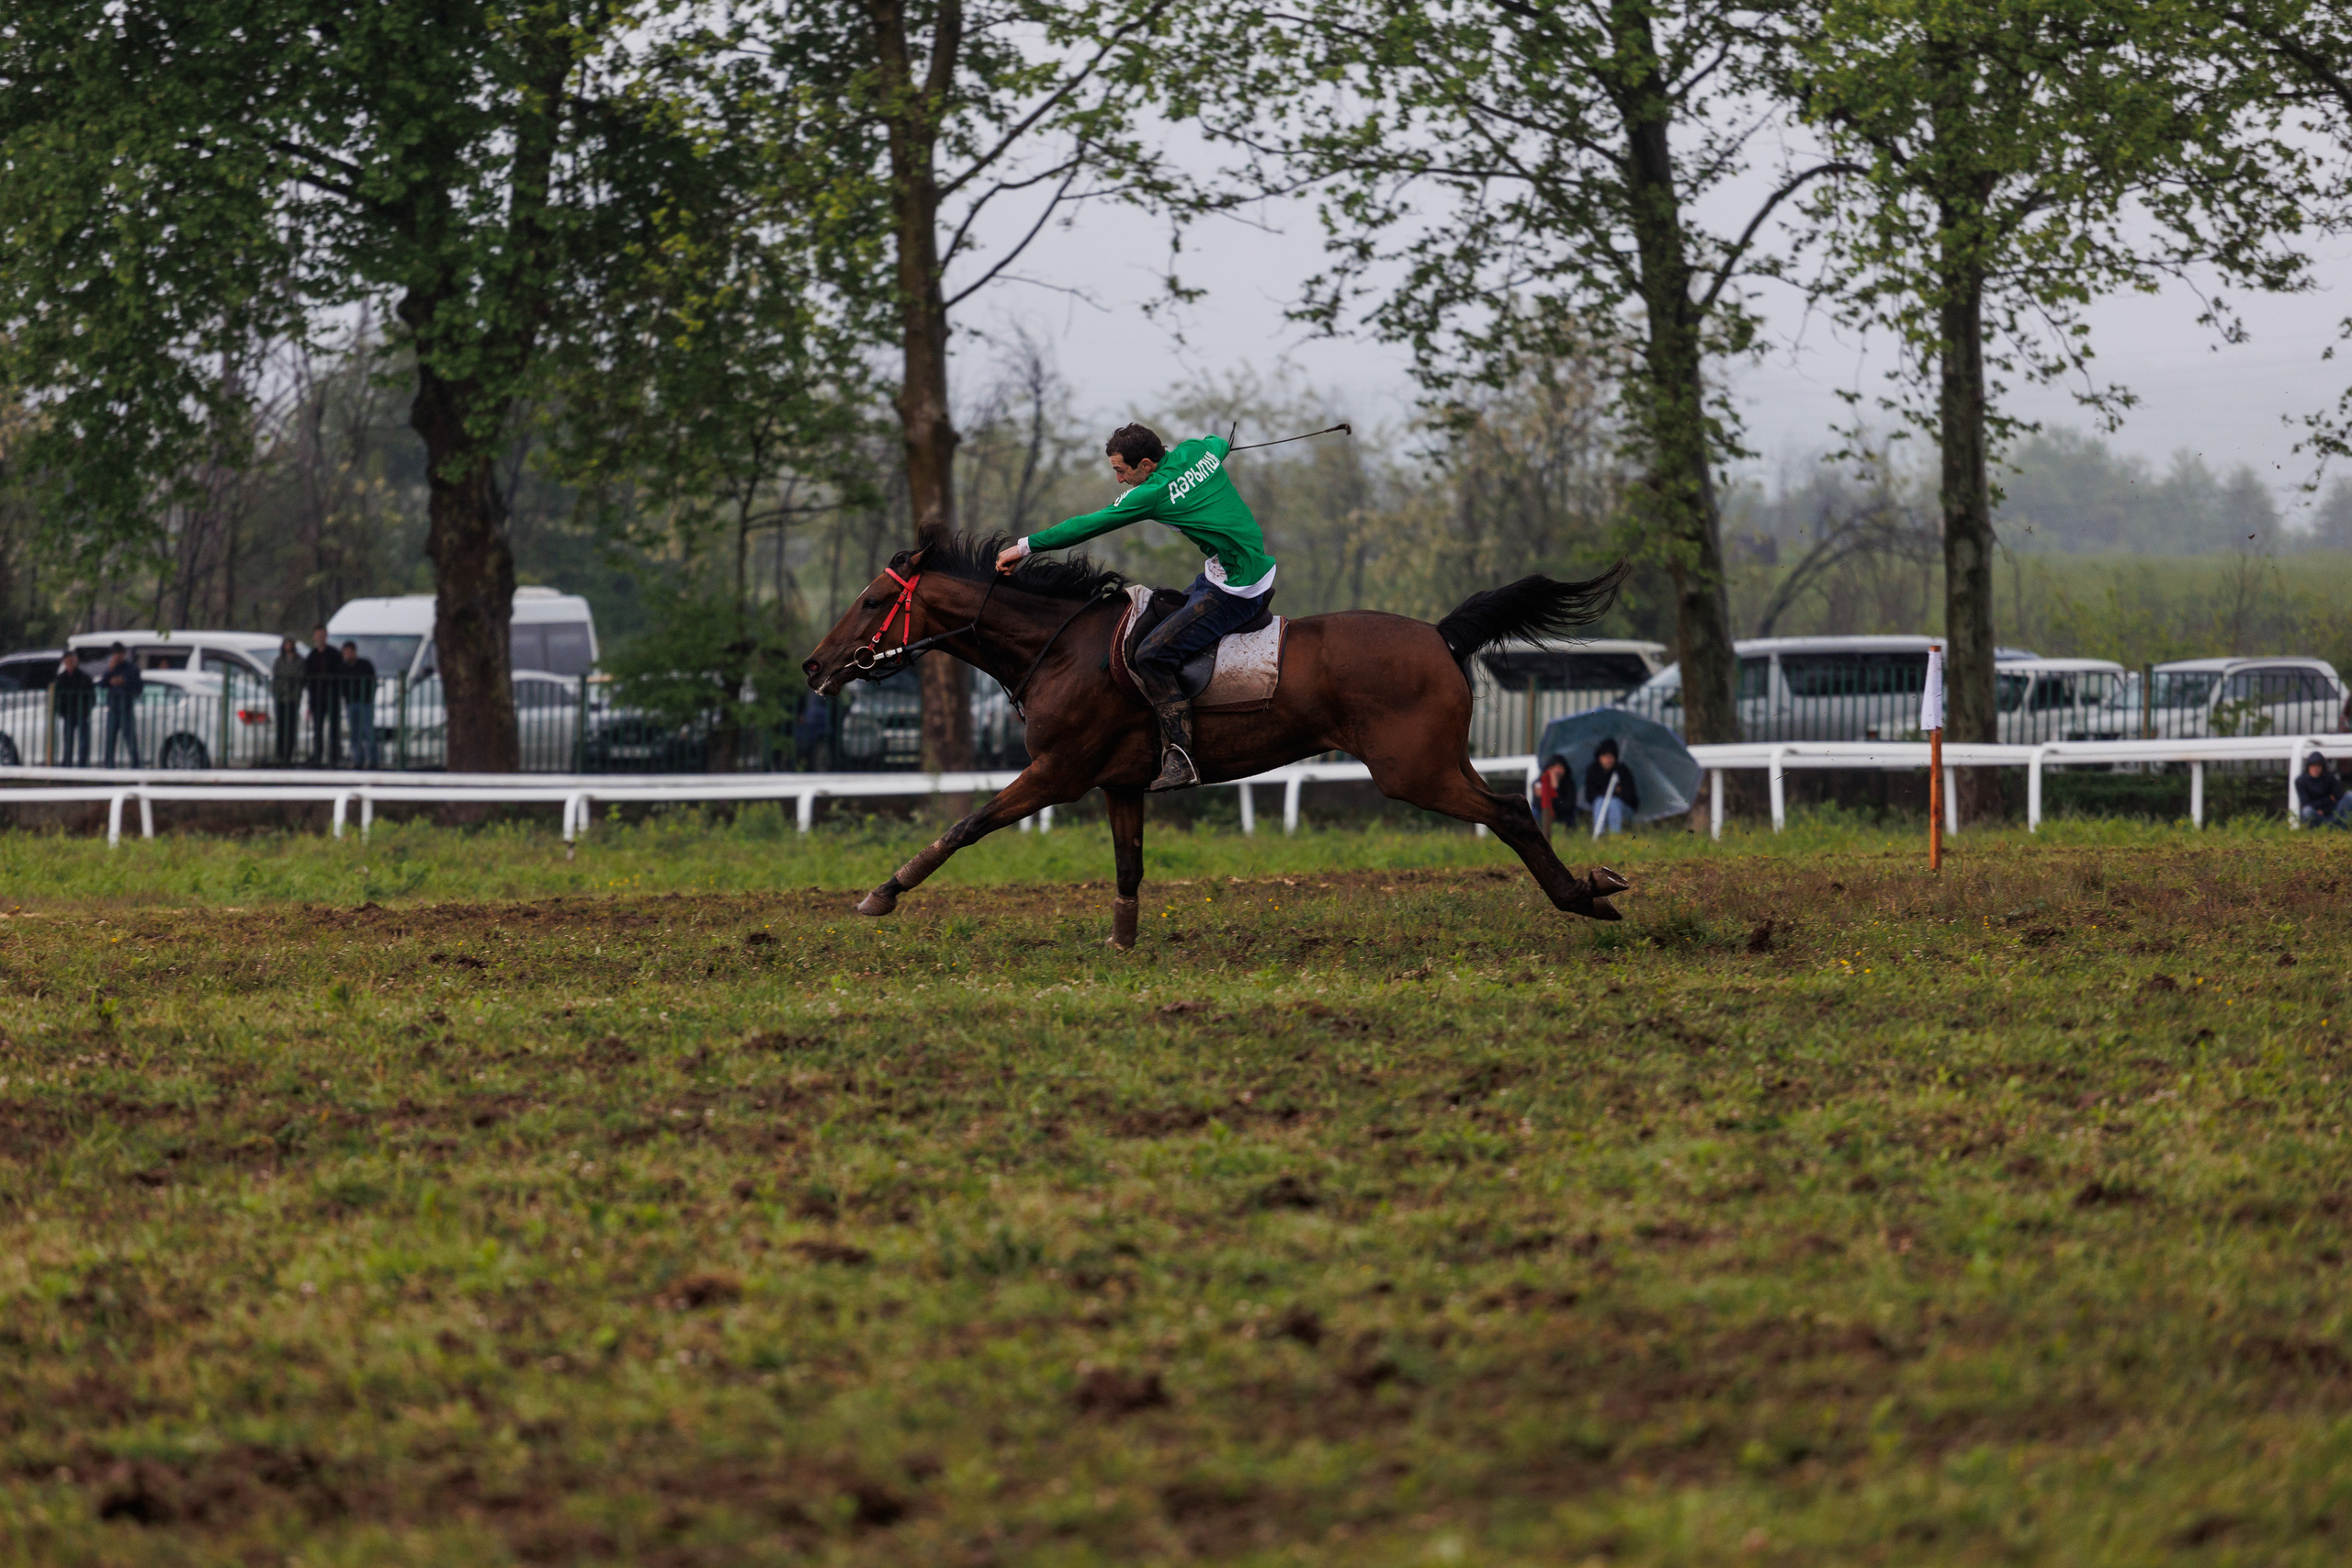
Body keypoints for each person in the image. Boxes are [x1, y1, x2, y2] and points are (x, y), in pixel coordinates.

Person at [997, 423, 1275, 791]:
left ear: (1146, 465)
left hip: (1238, 587)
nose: (1119, 480)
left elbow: (1087, 525)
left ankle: (1182, 757)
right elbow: (1219, 442)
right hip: (1223, 571)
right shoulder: (1197, 450)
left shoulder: (1152, 493)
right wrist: (1220, 451)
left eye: (1120, 471)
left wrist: (1023, 547)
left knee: (1151, 656)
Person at [304, 626, 344, 767]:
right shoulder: (312, 655)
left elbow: (340, 672)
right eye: (317, 635)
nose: (320, 637)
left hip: (331, 695)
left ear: (326, 636)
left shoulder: (334, 654)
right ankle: (317, 756)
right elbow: (307, 674)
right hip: (316, 696)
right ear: (314, 637)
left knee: (334, 727)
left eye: (322, 634)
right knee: (317, 727)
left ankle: (334, 757)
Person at [1584, 737, 1639, 835]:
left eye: (1611, 756)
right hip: (1601, 807)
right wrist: (1605, 792)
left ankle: (1615, 835)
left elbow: (1632, 797)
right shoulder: (1592, 771)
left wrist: (1619, 792)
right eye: (1605, 756)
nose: (1608, 760)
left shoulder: (1622, 771)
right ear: (1599, 757)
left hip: (1623, 810)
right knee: (1600, 801)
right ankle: (1599, 833)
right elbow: (1590, 795)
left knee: (1614, 802)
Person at [99, 644, 142, 769]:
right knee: (110, 742)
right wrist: (109, 671)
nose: (116, 656)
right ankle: (109, 770)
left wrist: (124, 681)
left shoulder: (131, 668)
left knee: (131, 741)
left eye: (119, 653)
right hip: (113, 708)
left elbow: (138, 687)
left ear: (123, 654)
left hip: (126, 709)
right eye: (114, 654)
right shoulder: (111, 667)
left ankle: (135, 769)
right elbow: (102, 685)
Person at [51, 649, 95, 767]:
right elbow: (57, 698)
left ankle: (82, 766)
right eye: (67, 661)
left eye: (71, 661)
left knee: (83, 743)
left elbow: (91, 697)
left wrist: (86, 712)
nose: (69, 663)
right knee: (68, 743)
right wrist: (62, 712)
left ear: (76, 661)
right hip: (68, 714)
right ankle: (67, 765)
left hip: (81, 713)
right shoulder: (61, 679)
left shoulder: (84, 677)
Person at [341, 641, 379, 768]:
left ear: (354, 652)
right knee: (355, 733)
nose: (347, 655)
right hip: (351, 703)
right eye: (345, 653)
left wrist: (369, 697)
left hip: (365, 703)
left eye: (349, 652)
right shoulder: (344, 668)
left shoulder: (365, 665)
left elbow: (373, 682)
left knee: (368, 732)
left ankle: (373, 761)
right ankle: (358, 760)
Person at [271, 636, 305, 767]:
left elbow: (300, 678)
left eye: (290, 643)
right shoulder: (279, 661)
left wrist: (294, 693)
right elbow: (276, 679)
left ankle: (289, 754)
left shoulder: (299, 661)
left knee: (291, 726)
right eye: (286, 644)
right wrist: (278, 692)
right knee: (281, 726)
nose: (288, 646)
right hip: (281, 698)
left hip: (292, 699)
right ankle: (280, 755)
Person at [2298, 751, 2352, 829]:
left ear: (2322, 767)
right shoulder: (2301, 781)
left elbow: (2339, 797)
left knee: (2350, 796)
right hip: (2316, 815)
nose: (2315, 769)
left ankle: (2344, 828)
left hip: (2333, 813)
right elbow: (2306, 803)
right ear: (2308, 767)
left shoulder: (2329, 778)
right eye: (2312, 766)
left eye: (2318, 766)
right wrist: (2329, 800)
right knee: (2307, 811)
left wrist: (2325, 810)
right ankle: (2313, 832)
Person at [1533, 754, 1570, 837]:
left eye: (1560, 767)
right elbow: (1537, 804)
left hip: (1561, 816)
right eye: (1554, 767)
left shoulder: (1568, 784)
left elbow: (1566, 806)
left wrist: (1555, 789)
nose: (1557, 771)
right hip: (1543, 814)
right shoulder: (1540, 782)